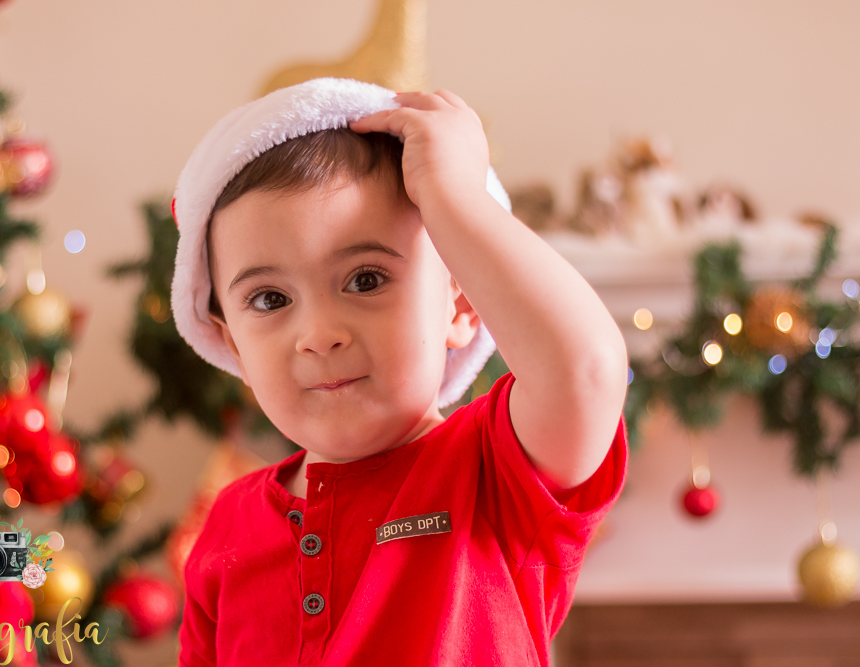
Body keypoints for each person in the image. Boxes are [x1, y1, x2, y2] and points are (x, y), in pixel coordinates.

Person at [170, 77, 629, 666]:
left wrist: (456, 197)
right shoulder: (228, 525)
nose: (318, 335)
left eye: (366, 279)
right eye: (269, 300)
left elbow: (585, 370)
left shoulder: (494, 473)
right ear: (232, 344)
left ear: (462, 307)